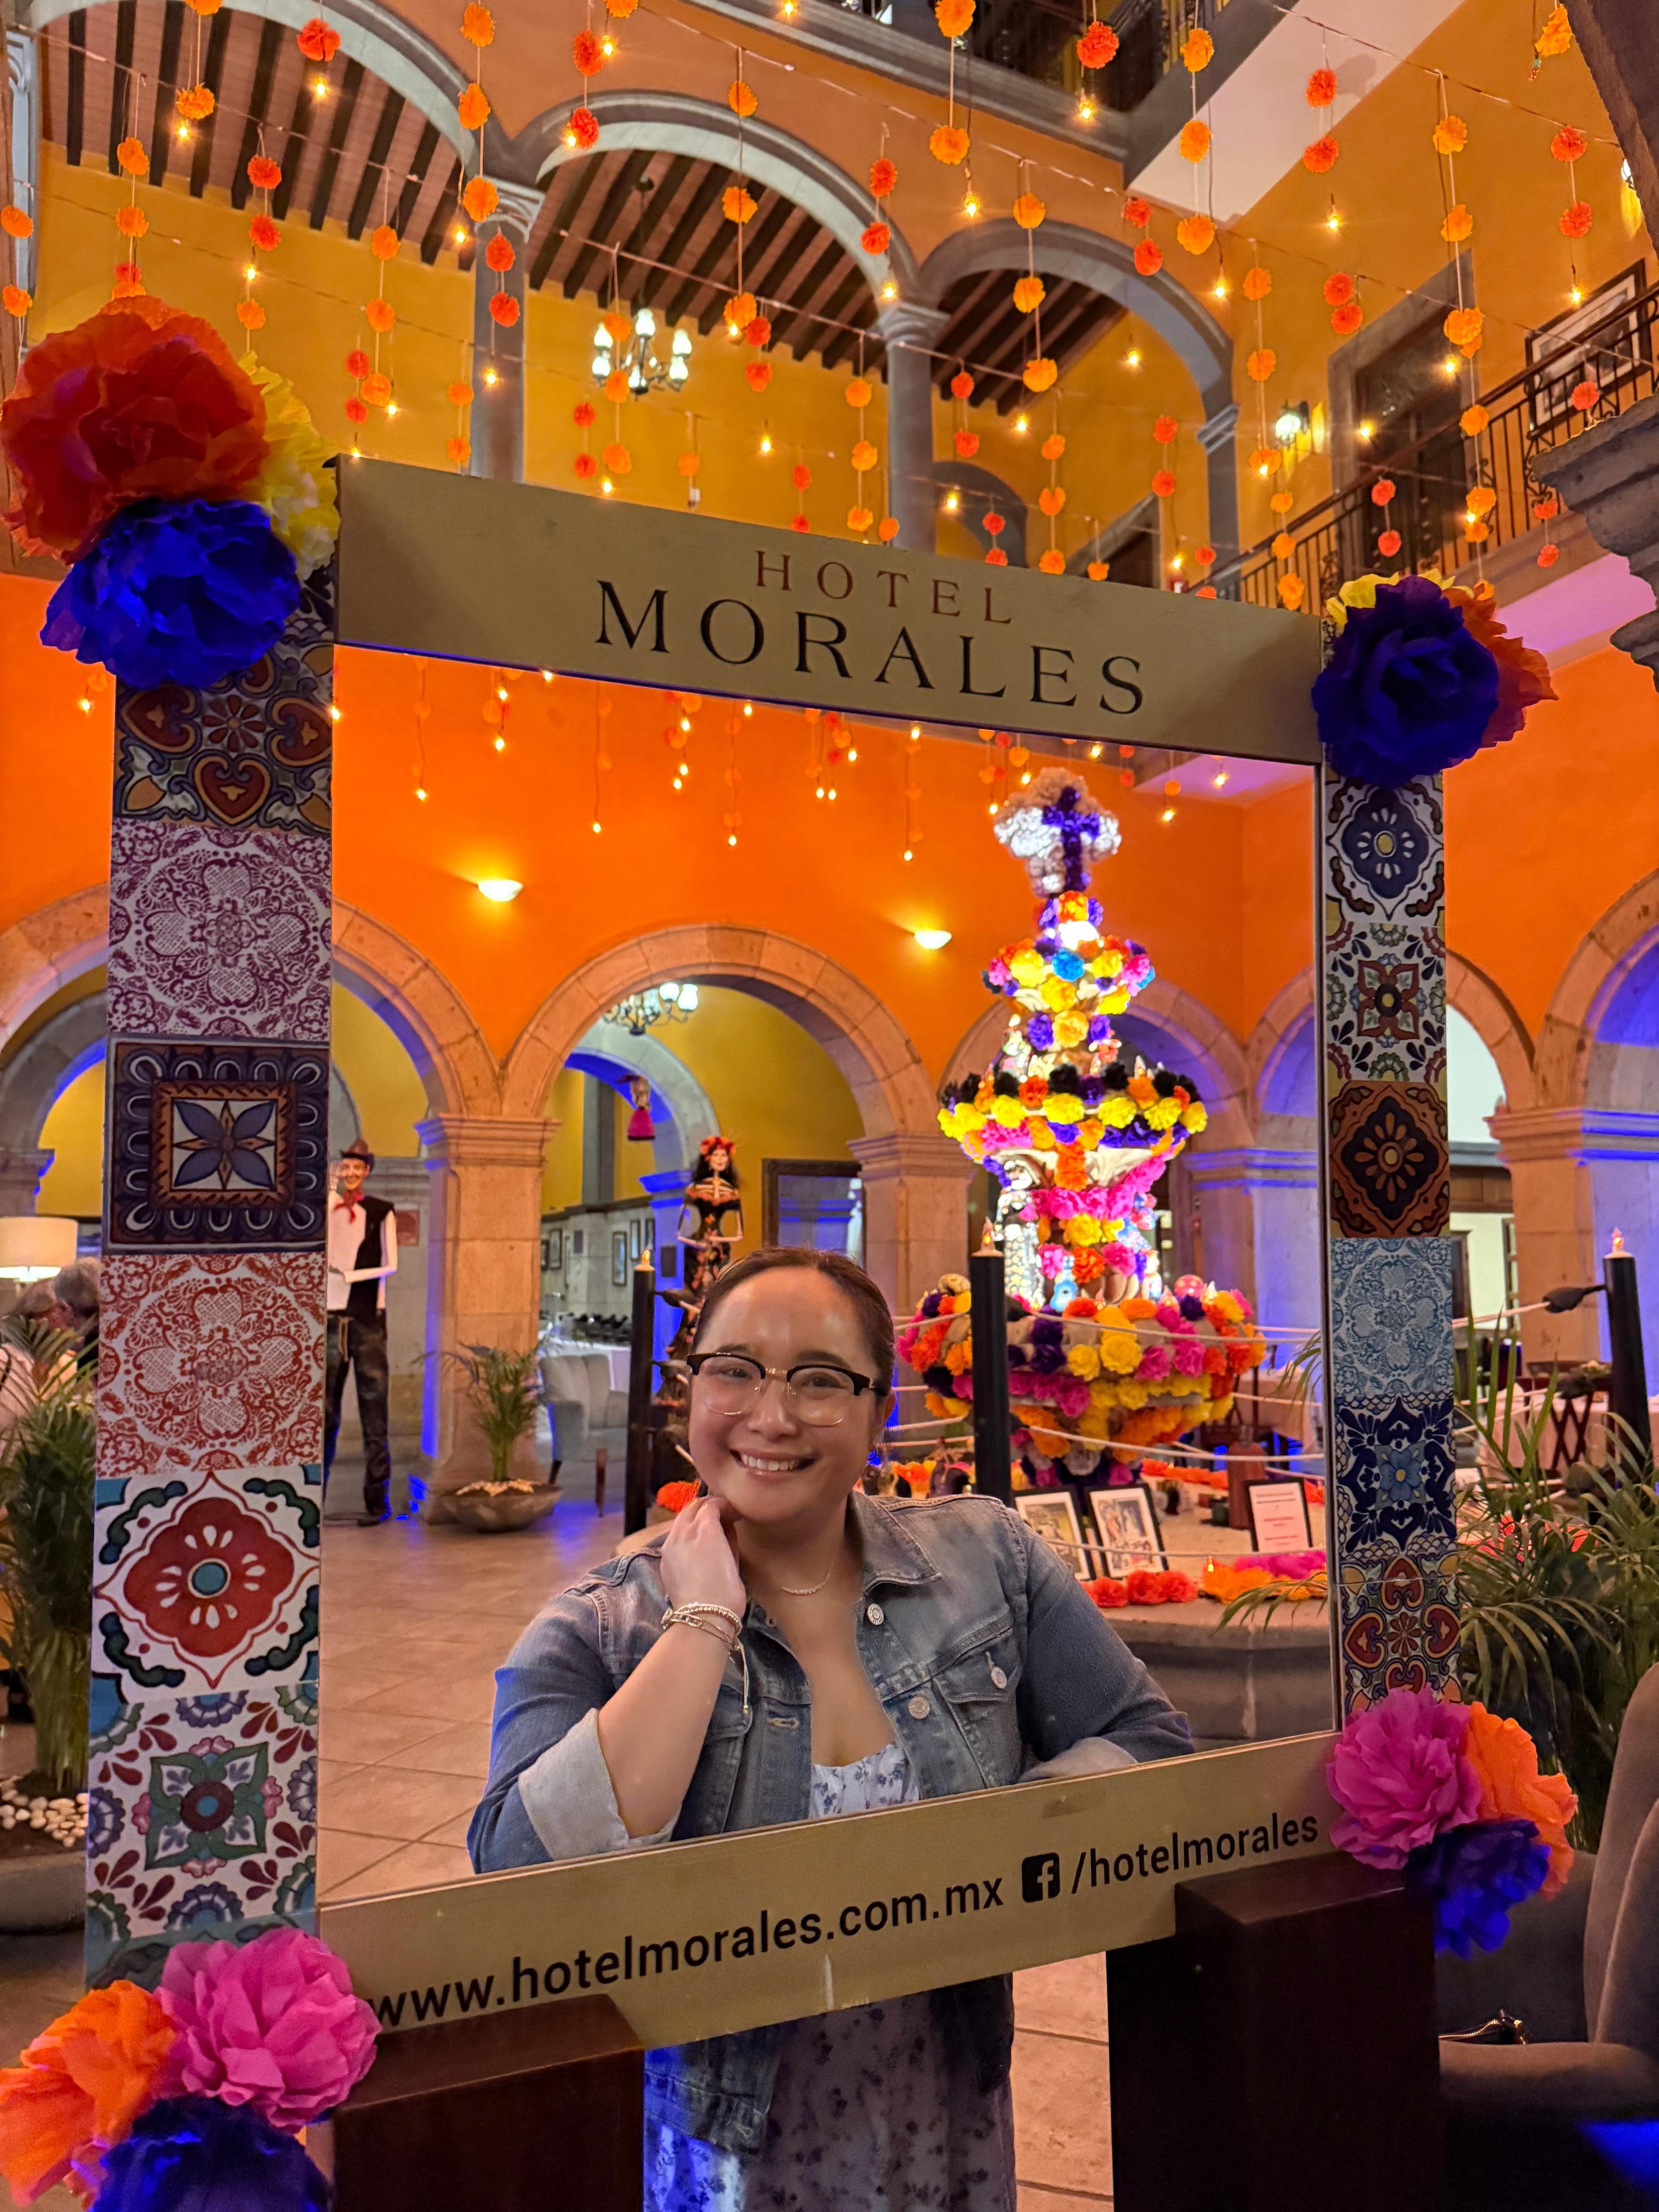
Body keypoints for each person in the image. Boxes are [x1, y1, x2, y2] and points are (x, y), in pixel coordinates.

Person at [471, 1246, 1190, 2212]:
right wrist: (701, 1624)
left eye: (819, 1380)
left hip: (945, 2111)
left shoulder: (990, 1562)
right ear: (688, 1396)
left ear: (879, 1414)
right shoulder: (603, 1627)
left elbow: (1146, 1740)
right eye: (733, 1371)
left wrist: (1002, 1851)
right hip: (729, 2140)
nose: (770, 1417)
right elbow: (515, 1882)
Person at [324, 1139, 398, 1526]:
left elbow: (391, 1263)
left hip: (367, 1315)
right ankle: (313, 1495)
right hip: (330, 1315)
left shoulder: (381, 1211)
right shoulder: (326, 1210)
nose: (350, 1175)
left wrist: (353, 1277)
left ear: (366, 1171)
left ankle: (377, 1501)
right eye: (345, 1169)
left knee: (374, 1407)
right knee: (324, 1411)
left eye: (357, 1169)